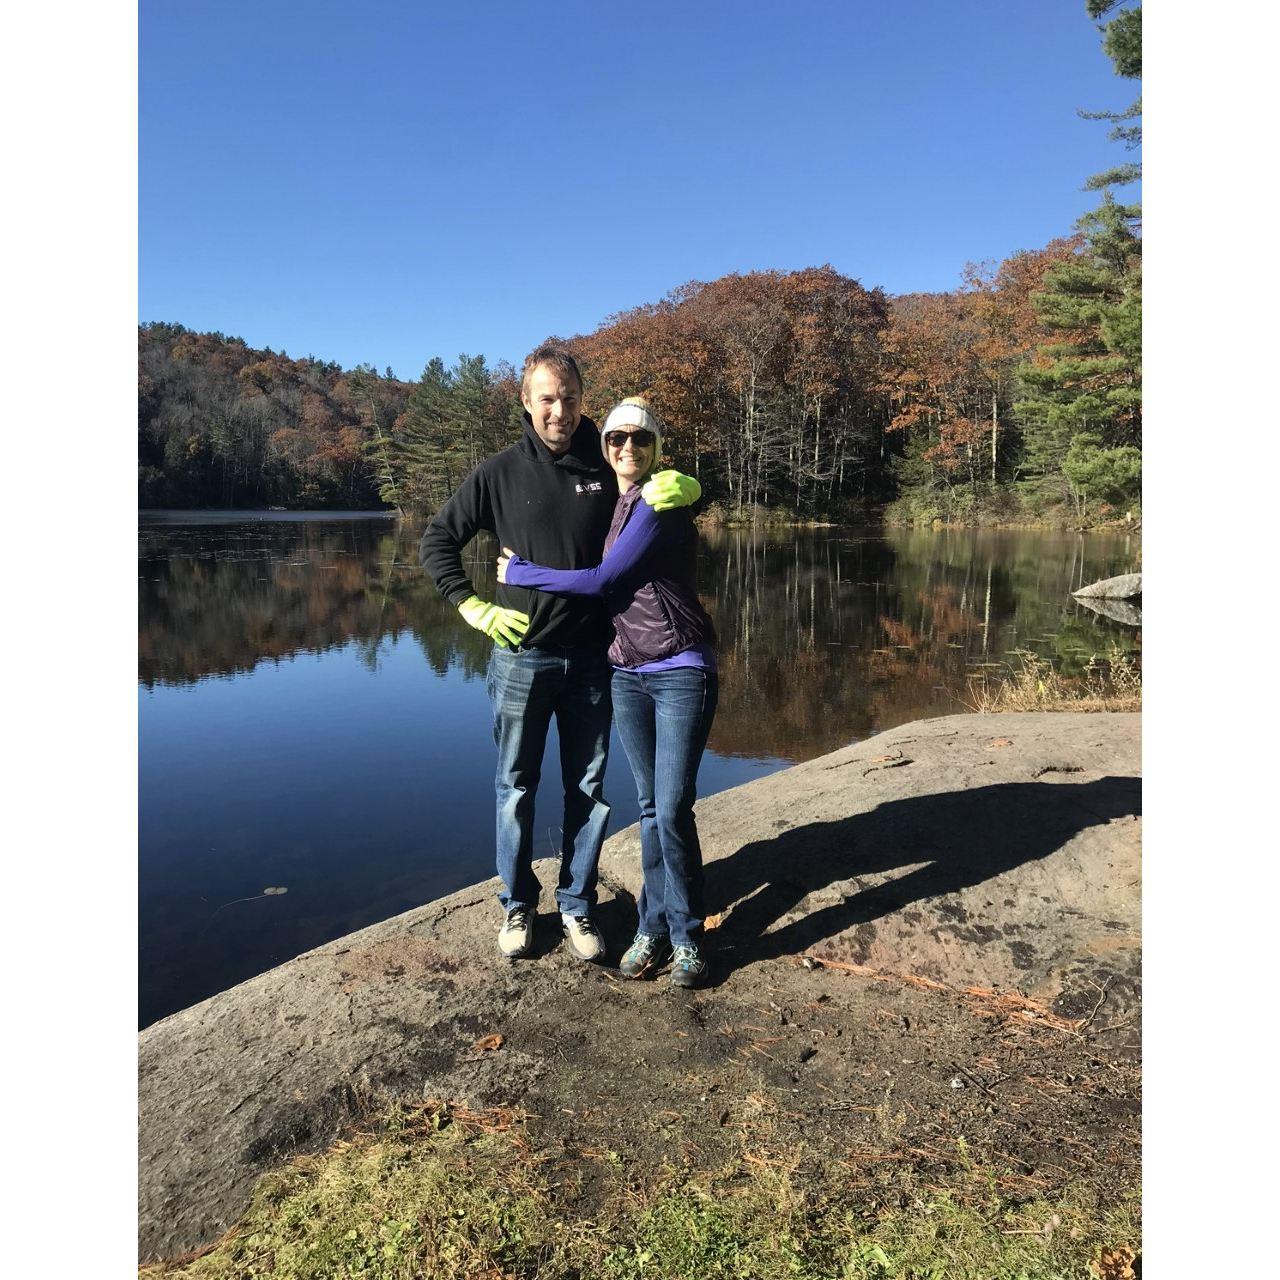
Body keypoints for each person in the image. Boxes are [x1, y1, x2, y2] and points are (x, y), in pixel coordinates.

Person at [418, 349, 700, 964]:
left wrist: (698, 487)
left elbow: (655, 500)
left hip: (597, 661)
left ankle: (577, 904)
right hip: (520, 658)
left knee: (589, 789)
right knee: (515, 787)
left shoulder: (605, 461)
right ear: (526, 401)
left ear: (581, 399)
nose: (560, 410)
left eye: (570, 397)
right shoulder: (497, 473)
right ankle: (518, 904)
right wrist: (471, 606)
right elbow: (438, 539)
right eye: (547, 398)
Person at [498, 397, 718, 989]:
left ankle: (688, 936)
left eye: (640, 440)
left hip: (678, 670)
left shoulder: (655, 499)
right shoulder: (614, 497)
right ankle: (650, 927)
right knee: (649, 809)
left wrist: (520, 574)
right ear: (604, 448)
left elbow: (602, 581)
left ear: (656, 449)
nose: (626, 448)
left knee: (671, 809)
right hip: (627, 673)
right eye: (616, 438)